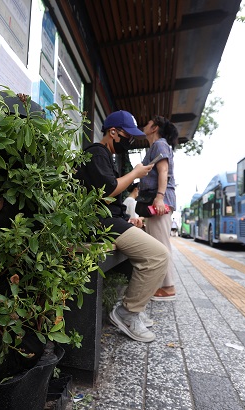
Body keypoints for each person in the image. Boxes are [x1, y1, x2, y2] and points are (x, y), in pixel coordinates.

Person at [75, 110, 169, 343]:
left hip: (108, 221)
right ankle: (127, 313)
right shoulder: (96, 152)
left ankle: (133, 307)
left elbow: (107, 200)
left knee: (149, 252)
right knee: (158, 255)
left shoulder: (107, 157)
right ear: (113, 132)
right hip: (98, 223)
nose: (130, 141)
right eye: (127, 136)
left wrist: (127, 219)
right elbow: (108, 190)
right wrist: (135, 173)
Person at [139, 115, 179, 301]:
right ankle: (164, 285)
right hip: (157, 200)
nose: (144, 125)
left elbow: (163, 172)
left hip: (159, 201)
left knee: (161, 244)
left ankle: (168, 287)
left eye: (147, 123)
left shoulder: (160, 145)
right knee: (159, 243)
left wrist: (159, 198)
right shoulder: (156, 146)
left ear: (154, 127)